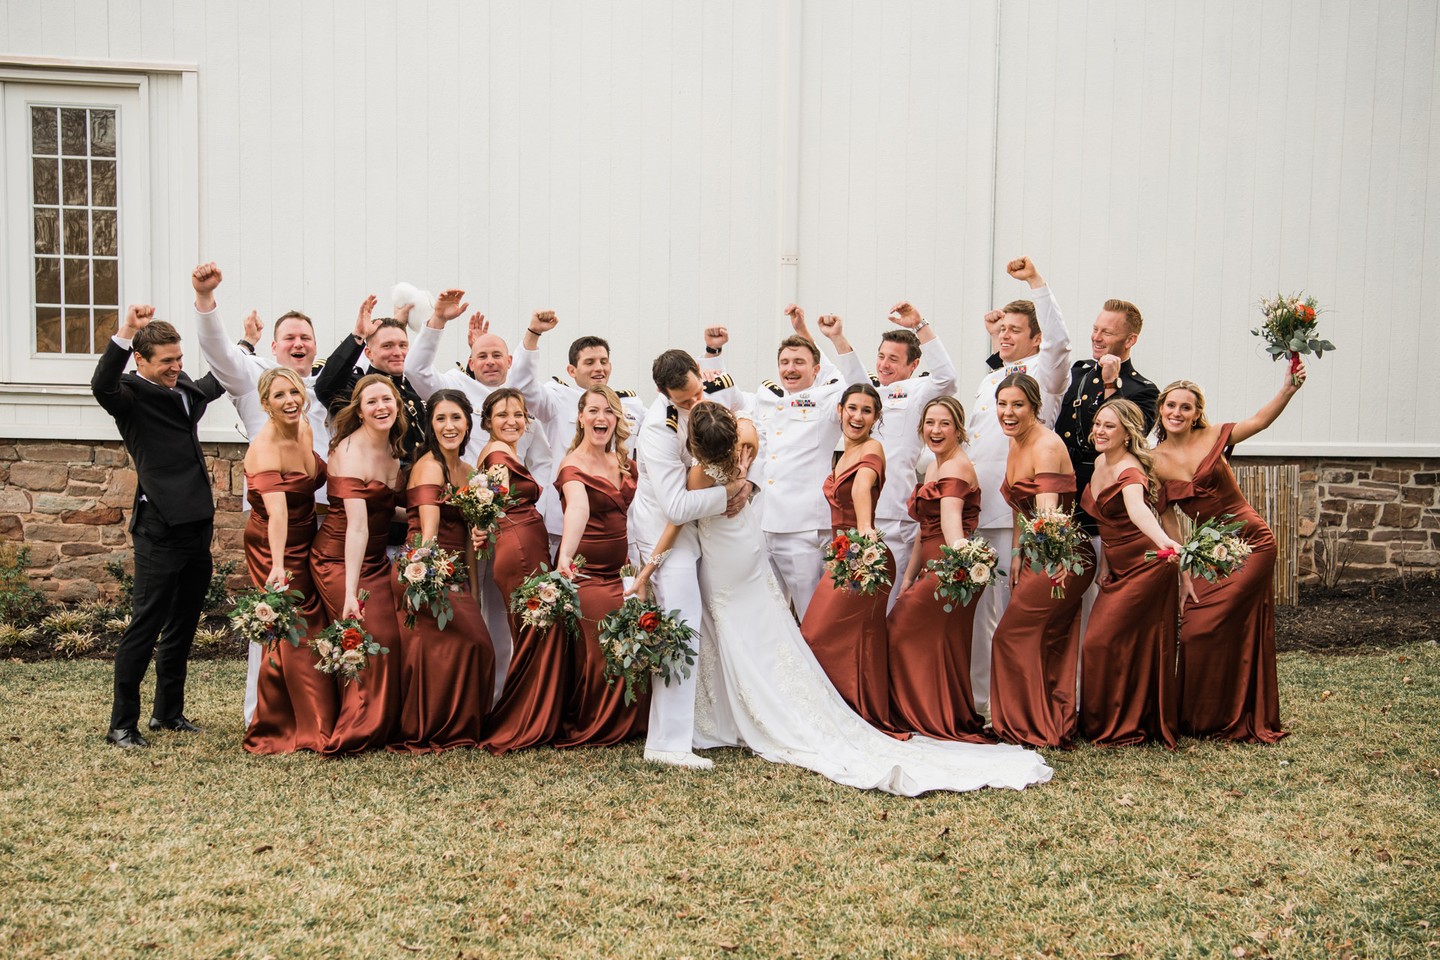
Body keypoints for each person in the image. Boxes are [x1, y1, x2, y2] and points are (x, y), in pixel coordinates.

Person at [633, 401, 1053, 795]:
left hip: (725, 563)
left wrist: (648, 569)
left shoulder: (700, 474)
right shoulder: (739, 459)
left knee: (736, 632)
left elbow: (675, 521)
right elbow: (746, 426)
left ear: (695, 445)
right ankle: (738, 710)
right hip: (748, 552)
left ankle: (742, 713)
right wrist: (742, 476)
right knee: (762, 630)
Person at [189, 262, 332, 729]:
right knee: (273, 614)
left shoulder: (320, 391)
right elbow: (217, 352)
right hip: (275, 526)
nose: (297, 344)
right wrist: (206, 300)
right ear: (274, 347)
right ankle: (262, 712)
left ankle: (312, 706)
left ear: (315, 345)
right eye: (289, 337)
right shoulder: (254, 376)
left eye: (305, 337)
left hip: (319, 520)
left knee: (313, 620)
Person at [404, 290, 552, 702]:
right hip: (459, 527)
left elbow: (541, 467)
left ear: (510, 361)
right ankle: (483, 695)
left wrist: (525, 516)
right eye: (481, 355)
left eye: (497, 355)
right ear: (469, 360)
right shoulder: (454, 387)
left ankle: (506, 695)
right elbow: (416, 368)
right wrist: (437, 319)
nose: (489, 362)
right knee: (479, 613)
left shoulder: (523, 410)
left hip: (510, 531)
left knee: (507, 615)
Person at [91, 305, 225, 748]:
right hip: (159, 529)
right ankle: (121, 725)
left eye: (179, 358)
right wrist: (125, 331)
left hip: (197, 525)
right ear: (140, 360)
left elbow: (213, 384)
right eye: (167, 360)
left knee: (183, 624)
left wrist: (244, 346)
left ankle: (167, 714)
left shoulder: (182, 387)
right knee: (145, 626)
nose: (176, 367)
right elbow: (101, 385)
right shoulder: (127, 395)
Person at [1152, 361, 1307, 743]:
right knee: (1194, 629)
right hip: (1209, 550)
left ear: (1196, 413)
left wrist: (1288, 389)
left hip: (1252, 542)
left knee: (1218, 624)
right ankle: (1199, 718)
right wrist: (1183, 571)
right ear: (1160, 409)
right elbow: (1170, 523)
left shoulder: (1215, 436)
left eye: (1185, 407)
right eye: (1171, 405)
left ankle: (1235, 714)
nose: (1177, 412)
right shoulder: (1153, 461)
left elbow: (1260, 421)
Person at [631, 349, 759, 769]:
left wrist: (747, 475)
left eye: (697, 392)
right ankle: (667, 744)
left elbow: (746, 414)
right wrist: (731, 492)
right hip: (666, 539)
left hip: (701, 535)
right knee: (680, 631)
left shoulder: (712, 389)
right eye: (684, 400)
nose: (694, 402)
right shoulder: (659, 429)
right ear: (662, 392)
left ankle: (703, 729)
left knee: (704, 629)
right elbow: (676, 506)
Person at [966, 257, 1073, 711]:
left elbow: (1060, 343)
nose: (1004, 336)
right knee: (980, 616)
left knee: (1011, 616)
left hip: (1016, 514)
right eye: (1000, 330)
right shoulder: (992, 379)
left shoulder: (1044, 375)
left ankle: (1013, 702)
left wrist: (1036, 283)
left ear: (1036, 338)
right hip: (978, 508)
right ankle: (982, 701)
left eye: (1015, 330)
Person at [987, 373, 1096, 749]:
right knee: (1046, 638)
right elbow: (1022, 509)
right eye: (1002, 404)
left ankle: (1025, 724)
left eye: (1017, 405)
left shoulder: (1046, 446)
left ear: (1034, 407)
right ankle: (1045, 718)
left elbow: (1048, 512)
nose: (1008, 412)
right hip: (1038, 552)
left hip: (1064, 556)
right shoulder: (1016, 442)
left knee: (1010, 636)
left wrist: (1053, 557)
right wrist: (1018, 552)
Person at [240, 368, 339, 754]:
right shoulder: (264, 447)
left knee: (310, 622)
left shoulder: (304, 429)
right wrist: (278, 566)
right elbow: (278, 514)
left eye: (294, 392)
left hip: (305, 535)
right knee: (293, 626)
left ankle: (311, 715)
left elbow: (313, 482)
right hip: (273, 544)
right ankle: (284, 722)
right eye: (279, 395)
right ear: (265, 404)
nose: (290, 401)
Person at [390, 390, 494, 753]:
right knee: (472, 642)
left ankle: (460, 726)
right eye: (440, 419)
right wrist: (424, 579)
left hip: (454, 569)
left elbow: (467, 536)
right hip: (423, 568)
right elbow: (429, 534)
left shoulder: (469, 473)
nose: (449, 426)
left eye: (456, 418)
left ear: (467, 423)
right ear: (430, 426)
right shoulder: (429, 466)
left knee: (476, 644)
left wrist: (474, 591)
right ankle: (435, 726)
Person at [885, 396, 992, 743]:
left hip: (950, 568)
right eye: (930, 423)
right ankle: (931, 710)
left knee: (900, 629)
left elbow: (950, 525)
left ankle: (925, 712)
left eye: (945, 423)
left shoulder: (956, 467)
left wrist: (959, 567)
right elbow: (924, 529)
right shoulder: (933, 466)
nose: (936, 430)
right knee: (934, 644)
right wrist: (908, 577)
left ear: (959, 429)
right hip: (933, 564)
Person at [310, 375, 408, 754]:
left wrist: (437, 511)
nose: (381, 407)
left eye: (387, 400)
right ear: (360, 411)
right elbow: (358, 526)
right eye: (372, 402)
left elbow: (386, 509)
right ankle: (359, 727)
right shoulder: (350, 451)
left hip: (374, 559)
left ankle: (386, 724)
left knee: (396, 634)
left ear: (397, 405)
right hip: (338, 559)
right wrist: (350, 593)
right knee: (373, 635)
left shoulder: (392, 451)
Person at [833, 303, 957, 599]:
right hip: (857, 515)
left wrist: (919, 325)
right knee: (857, 602)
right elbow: (855, 379)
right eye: (881, 356)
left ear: (913, 365)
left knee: (890, 601)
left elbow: (947, 378)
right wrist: (837, 337)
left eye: (893, 359)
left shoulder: (918, 392)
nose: (884, 365)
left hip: (894, 517)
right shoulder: (870, 393)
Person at [1079, 399, 1183, 748]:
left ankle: (1123, 724)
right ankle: (1111, 720)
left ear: (1127, 434)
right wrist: (1105, 563)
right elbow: (1105, 520)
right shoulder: (1099, 462)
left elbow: (1138, 510)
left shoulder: (1130, 470)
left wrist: (1165, 542)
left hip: (1148, 563)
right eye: (1098, 423)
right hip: (1118, 565)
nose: (1099, 431)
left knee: (1102, 641)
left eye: (1109, 426)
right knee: (1115, 645)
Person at [752, 305, 864, 618]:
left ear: (816, 370)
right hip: (763, 522)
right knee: (768, 616)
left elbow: (861, 388)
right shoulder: (766, 398)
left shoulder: (828, 400)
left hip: (803, 528)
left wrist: (836, 339)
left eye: (799, 362)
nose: (790, 368)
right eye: (785, 362)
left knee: (812, 615)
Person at [508, 311, 653, 552]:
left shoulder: (631, 405)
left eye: (604, 361)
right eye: (589, 362)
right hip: (565, 524)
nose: (599, 368)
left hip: (619, 526)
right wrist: (534, 334)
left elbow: (662, 430)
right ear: (571, 370)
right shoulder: (556, 400)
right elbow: (519, 386)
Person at [552, 387, 648, 748]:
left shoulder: (624, 462)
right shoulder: (571, 464)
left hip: (622, 570)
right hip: (587, 573)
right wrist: (565, 555)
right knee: (605, 636)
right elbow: (578, 508)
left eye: (608, 411)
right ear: (580, 418)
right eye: (593, 410)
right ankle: (597, 721)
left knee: (636, 631)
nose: (601, 417)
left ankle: (631, 718)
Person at [798, 383, 897, 732]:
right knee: (844, 638)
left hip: (863, 556)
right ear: (839, 411)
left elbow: (860, 487)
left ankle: (843, 713)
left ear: (876, 417)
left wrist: (865, 529)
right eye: (852, 408)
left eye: (866, 411)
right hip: (844, 557)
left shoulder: (872, 448)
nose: (857, 416)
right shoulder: (842, 453)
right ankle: (843, 712)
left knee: (817, 633)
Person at [480, 389, 571, 754]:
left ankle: (533, 714)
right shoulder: (498, 455)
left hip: (521, 543)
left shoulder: (501, 451)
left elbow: (483, 506)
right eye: (502, 415)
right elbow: (491, 502)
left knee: (532, 630)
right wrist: (485, 527)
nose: (512, 421)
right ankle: (525, 720)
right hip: (519, 548)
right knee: (537, 629)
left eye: (518, 414)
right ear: (488, 421)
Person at [314, 295, 426, 462]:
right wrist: (358, 335)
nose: (398, 352)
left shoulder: (415, 384)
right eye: (387, 346)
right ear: (368, 353)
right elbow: (325, 388)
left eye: (403, 345)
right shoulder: (360, 388)